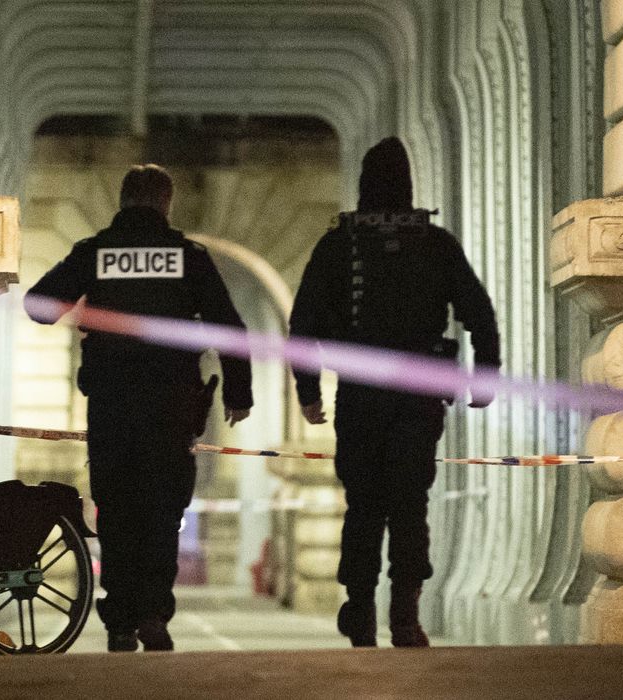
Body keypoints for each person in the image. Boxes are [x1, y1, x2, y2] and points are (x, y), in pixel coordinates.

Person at [24, 164, 253, 653]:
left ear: (123, 201)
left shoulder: (95, 253)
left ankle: (120, 620)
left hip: (111, 404)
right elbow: (230, 327)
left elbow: (37, 305)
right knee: (162, 510)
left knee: (119, 510)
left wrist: (88, 309)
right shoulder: (188, 257)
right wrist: (239, 392)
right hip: (170, 404)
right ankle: (154, 615)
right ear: (166, 203)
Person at [289, 137, 500, 648]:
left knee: (363, 505)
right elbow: (479, 311)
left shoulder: (338, 244)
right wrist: (485, 376)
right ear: (408, 186)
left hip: (361, 396)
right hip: (418, 395)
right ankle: (405, 615)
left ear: (363, 185)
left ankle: (360, 611)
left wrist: (309, 391)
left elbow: (303, 324)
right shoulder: (436, 242)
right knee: (410, 503)